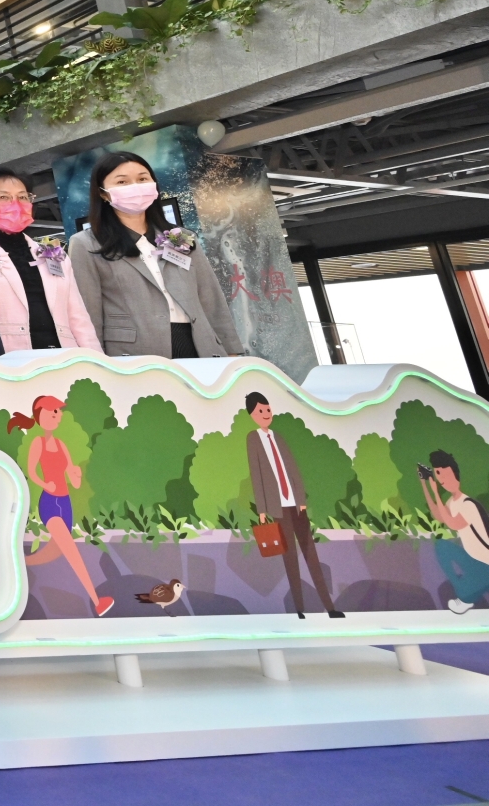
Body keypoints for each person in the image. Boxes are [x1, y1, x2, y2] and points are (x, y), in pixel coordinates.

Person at [68, 151, 241, 359]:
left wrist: (232, 350)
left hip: (201, 344)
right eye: (122, 182)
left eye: (142, 179)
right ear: (103, 193)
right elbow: (88, 312)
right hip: (134, 352)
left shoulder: (182, 237)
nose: (135, 187)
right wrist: (95, 361)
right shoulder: (85, 243)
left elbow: (210, 298)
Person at [0, 166, 99, 352]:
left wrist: (95, 359)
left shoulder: (56, 256)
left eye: (22, 197)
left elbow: (78, 316)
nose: (16, 204)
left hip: (64, 358)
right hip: (8, 359)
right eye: (3, 197)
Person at [8, 396, 114, 617]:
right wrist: (46, 483)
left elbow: (73, 479)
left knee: (51, 554)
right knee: (72, 551)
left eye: (58, 412)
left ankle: (12, 560)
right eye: (52, 411)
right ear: (40, 416)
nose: (57, 415)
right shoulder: (38, 443)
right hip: (50, 503)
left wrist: (75, 475)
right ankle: (97, 600)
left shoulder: (61, 445)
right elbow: (32, 471)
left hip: (65, 503)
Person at [244, 392, 343, 618]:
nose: (266, 414)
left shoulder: (278, 437)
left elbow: (292, 469)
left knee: (311, 554)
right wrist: (261, 509)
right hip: (277, 508)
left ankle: (330, 607)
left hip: (295, 506)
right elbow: (256, 474)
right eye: (261, 411)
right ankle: (299, 609)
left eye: (268, 410)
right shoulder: (253, 439)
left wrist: (301, 500)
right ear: (252, 414)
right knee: (289, 557)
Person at [423, 451, 489, 613]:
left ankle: (466, 595)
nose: (442, 479)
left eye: (444, 473)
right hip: (473, 559)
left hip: (485, 563)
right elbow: (439, 516)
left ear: (454, 472)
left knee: (469, 589)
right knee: (442, 546)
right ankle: (465, 590)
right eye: (438, 474)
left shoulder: (468, 504)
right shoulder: (453, 501)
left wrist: (436, 492)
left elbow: (452, 524)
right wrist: (425, 485)